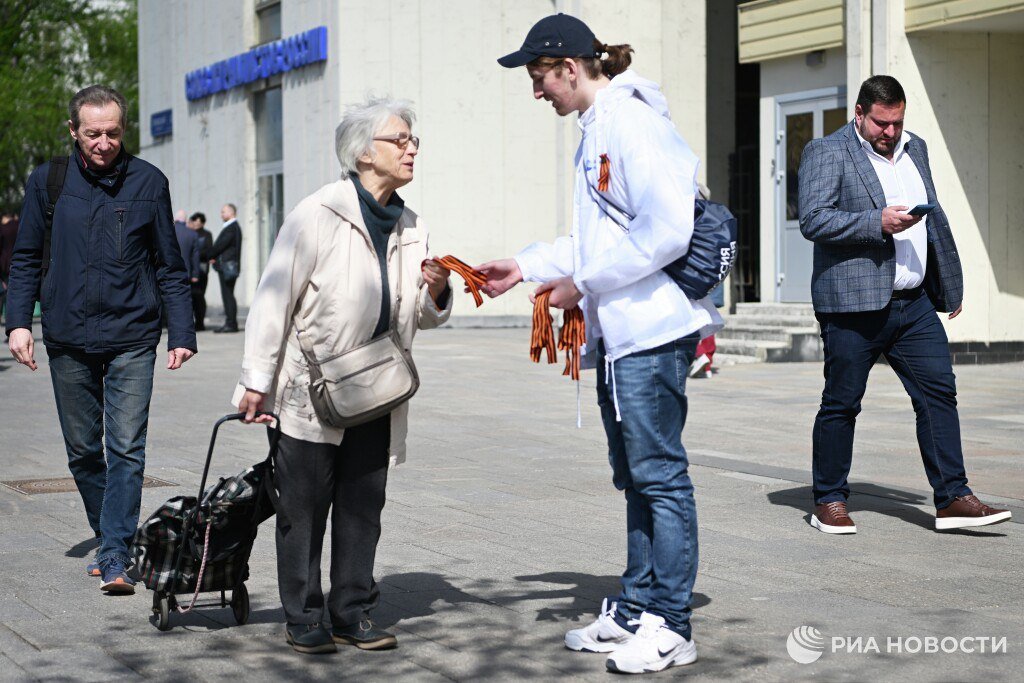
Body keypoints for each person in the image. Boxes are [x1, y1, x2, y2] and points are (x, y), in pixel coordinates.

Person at [480, 14, 722, 675]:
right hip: (623, 336)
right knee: (637, 478)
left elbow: (668, 229)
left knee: (661, 479)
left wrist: (579, 282)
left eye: (538, 78)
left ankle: (672, 623)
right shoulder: (596, 130)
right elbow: (598, 240)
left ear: (569, 67)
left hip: (652, 331)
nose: (537, 93)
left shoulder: (631, 121)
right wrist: (523, 266)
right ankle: (640, 603)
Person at [234, 96, 452, 655]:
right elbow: (272, 299)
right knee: (303, 507)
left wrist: (438, 290)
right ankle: (303, 614)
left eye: (413, 141)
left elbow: (420, 316)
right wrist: (256, 380)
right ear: (362, 154)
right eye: (398, 140)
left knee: (363, 504)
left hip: (377, 388)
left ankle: (351, 610)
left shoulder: (412, 223)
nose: (411, 149)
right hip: (312, 390)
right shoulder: (317, 213)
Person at [798, 75, 1011, 534]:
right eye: (880, 123)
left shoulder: (917, 148)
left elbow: (934, 220)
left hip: (913, 303)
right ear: (859, 114)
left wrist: (948, 285)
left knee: (939, 394)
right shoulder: (827, 151)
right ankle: (829, 500)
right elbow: (813, 219)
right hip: (854, 306)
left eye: (896, 122)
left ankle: (952, 498)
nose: (889, 132)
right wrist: (875, 221)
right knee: (842, 403)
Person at [5, 85, 196, 592]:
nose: (104, 142)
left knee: (127, 448)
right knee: (84, 451)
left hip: (133, 335)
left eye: (113, 132)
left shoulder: (149, 182)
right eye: (93, 133)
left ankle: (114, 554)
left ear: (123, 130)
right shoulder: (47, 183)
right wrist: (18, 323)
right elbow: (24, 259)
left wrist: (182, 331)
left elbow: (169, 267)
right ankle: (113, 535)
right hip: (66, 336)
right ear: (74, 131)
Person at [208, 203, 242, 332]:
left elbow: (221, 246)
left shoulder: (232, 228)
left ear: (231, 213)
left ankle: (231, 324)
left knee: (228, 295)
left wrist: (209, 255)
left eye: (223, 212)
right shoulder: (232, 227)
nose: (221, 214)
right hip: (227, 266)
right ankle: (230, 322)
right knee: (228, 295)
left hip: (227, 267)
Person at [188, 211, 213, 330]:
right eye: (194, 220)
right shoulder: (190, 233)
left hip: (202, 268)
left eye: (198, 221)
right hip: (192, 268)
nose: (196, 223)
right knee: (191, 297)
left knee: (200, 296)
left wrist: (196, 254)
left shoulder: (206, 234)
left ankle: (200, 322)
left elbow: (208, 250)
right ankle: (192, 321)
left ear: (202, 222)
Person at [173, 209, 201, 288]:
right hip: (185, 272)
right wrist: (195, 274)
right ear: (185, 220)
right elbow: (195, 256)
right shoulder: (193, 234)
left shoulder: (167, 231)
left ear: (175, 219)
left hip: (167, 271)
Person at [0, 212, 19, 323]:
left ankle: (10, 321)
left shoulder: (3, 228)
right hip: (20, 262)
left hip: (6, 264)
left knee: (7, 292)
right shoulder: (20, 225)